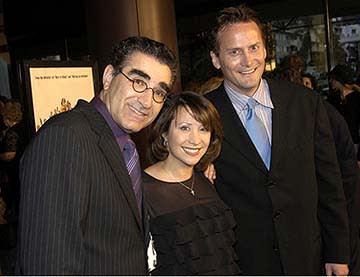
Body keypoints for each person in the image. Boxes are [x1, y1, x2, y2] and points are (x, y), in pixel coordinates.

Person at [206, 4, 350, 275]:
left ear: (265, 49)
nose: (248, 61)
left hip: (308, 257)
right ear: (216, 59)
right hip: (242, 262)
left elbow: (330, 184)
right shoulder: (202, 116)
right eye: (234, 52)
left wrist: (338, 252)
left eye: (253, 48)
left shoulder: (305, 103)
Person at [16, 36, 177, 275]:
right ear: (109, 77)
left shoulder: (124, 144)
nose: (146, 101)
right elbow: (48, 264)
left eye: (158, 93)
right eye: (138, 82)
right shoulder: (66, 137)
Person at [144, 91, 240, 275]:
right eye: (185, 128)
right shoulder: (141, 190)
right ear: (164, 133)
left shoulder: (208, 181)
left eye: (203, 128)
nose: (195, 139)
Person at [329, 64, 360, 161]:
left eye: (333, 79)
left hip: (353, 142)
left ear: (339, 80)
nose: (330, 82)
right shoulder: (333, 99)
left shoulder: (356, 98)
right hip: (337, 142)